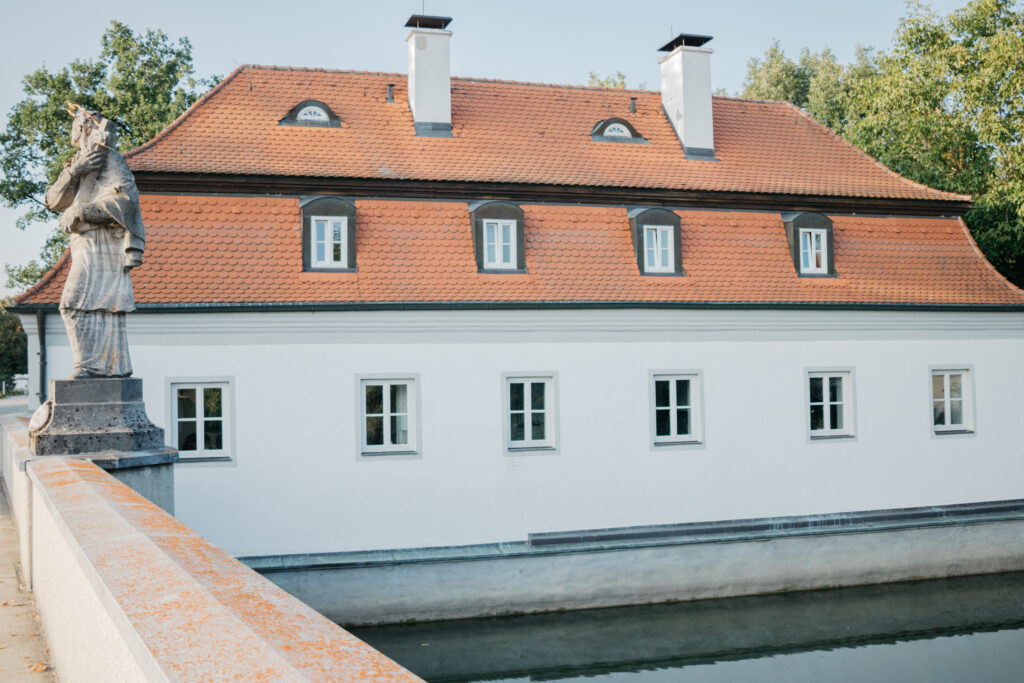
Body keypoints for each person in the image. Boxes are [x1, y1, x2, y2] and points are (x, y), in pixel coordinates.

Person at [45, 106, 145, 378]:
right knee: (86, 305)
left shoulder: (110, 159)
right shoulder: (77, 162)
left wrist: (82, 211)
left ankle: (88, 368)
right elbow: (53, 201)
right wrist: (75, 171)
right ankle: (94, 367)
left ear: (86, 128)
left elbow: (127, 202)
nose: (75, 129)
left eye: (78, 123)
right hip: (82, 245)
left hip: (104, 245)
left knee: (76, 303)